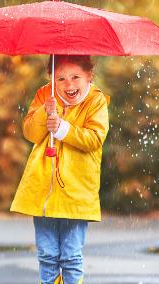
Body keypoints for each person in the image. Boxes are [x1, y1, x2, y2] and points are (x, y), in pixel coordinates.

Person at [10, 55, 110, 284]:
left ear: (89, 76)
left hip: (76, 192)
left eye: (76, 77)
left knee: (70, 256)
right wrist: (46, 112)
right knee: (47, 255)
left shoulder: (96, 102)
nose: (69, 84)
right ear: (52, 79)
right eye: (61, 79)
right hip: (44, 190)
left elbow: (94, 139)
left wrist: (63, 128)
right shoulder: (46, 95)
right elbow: (31, 133)